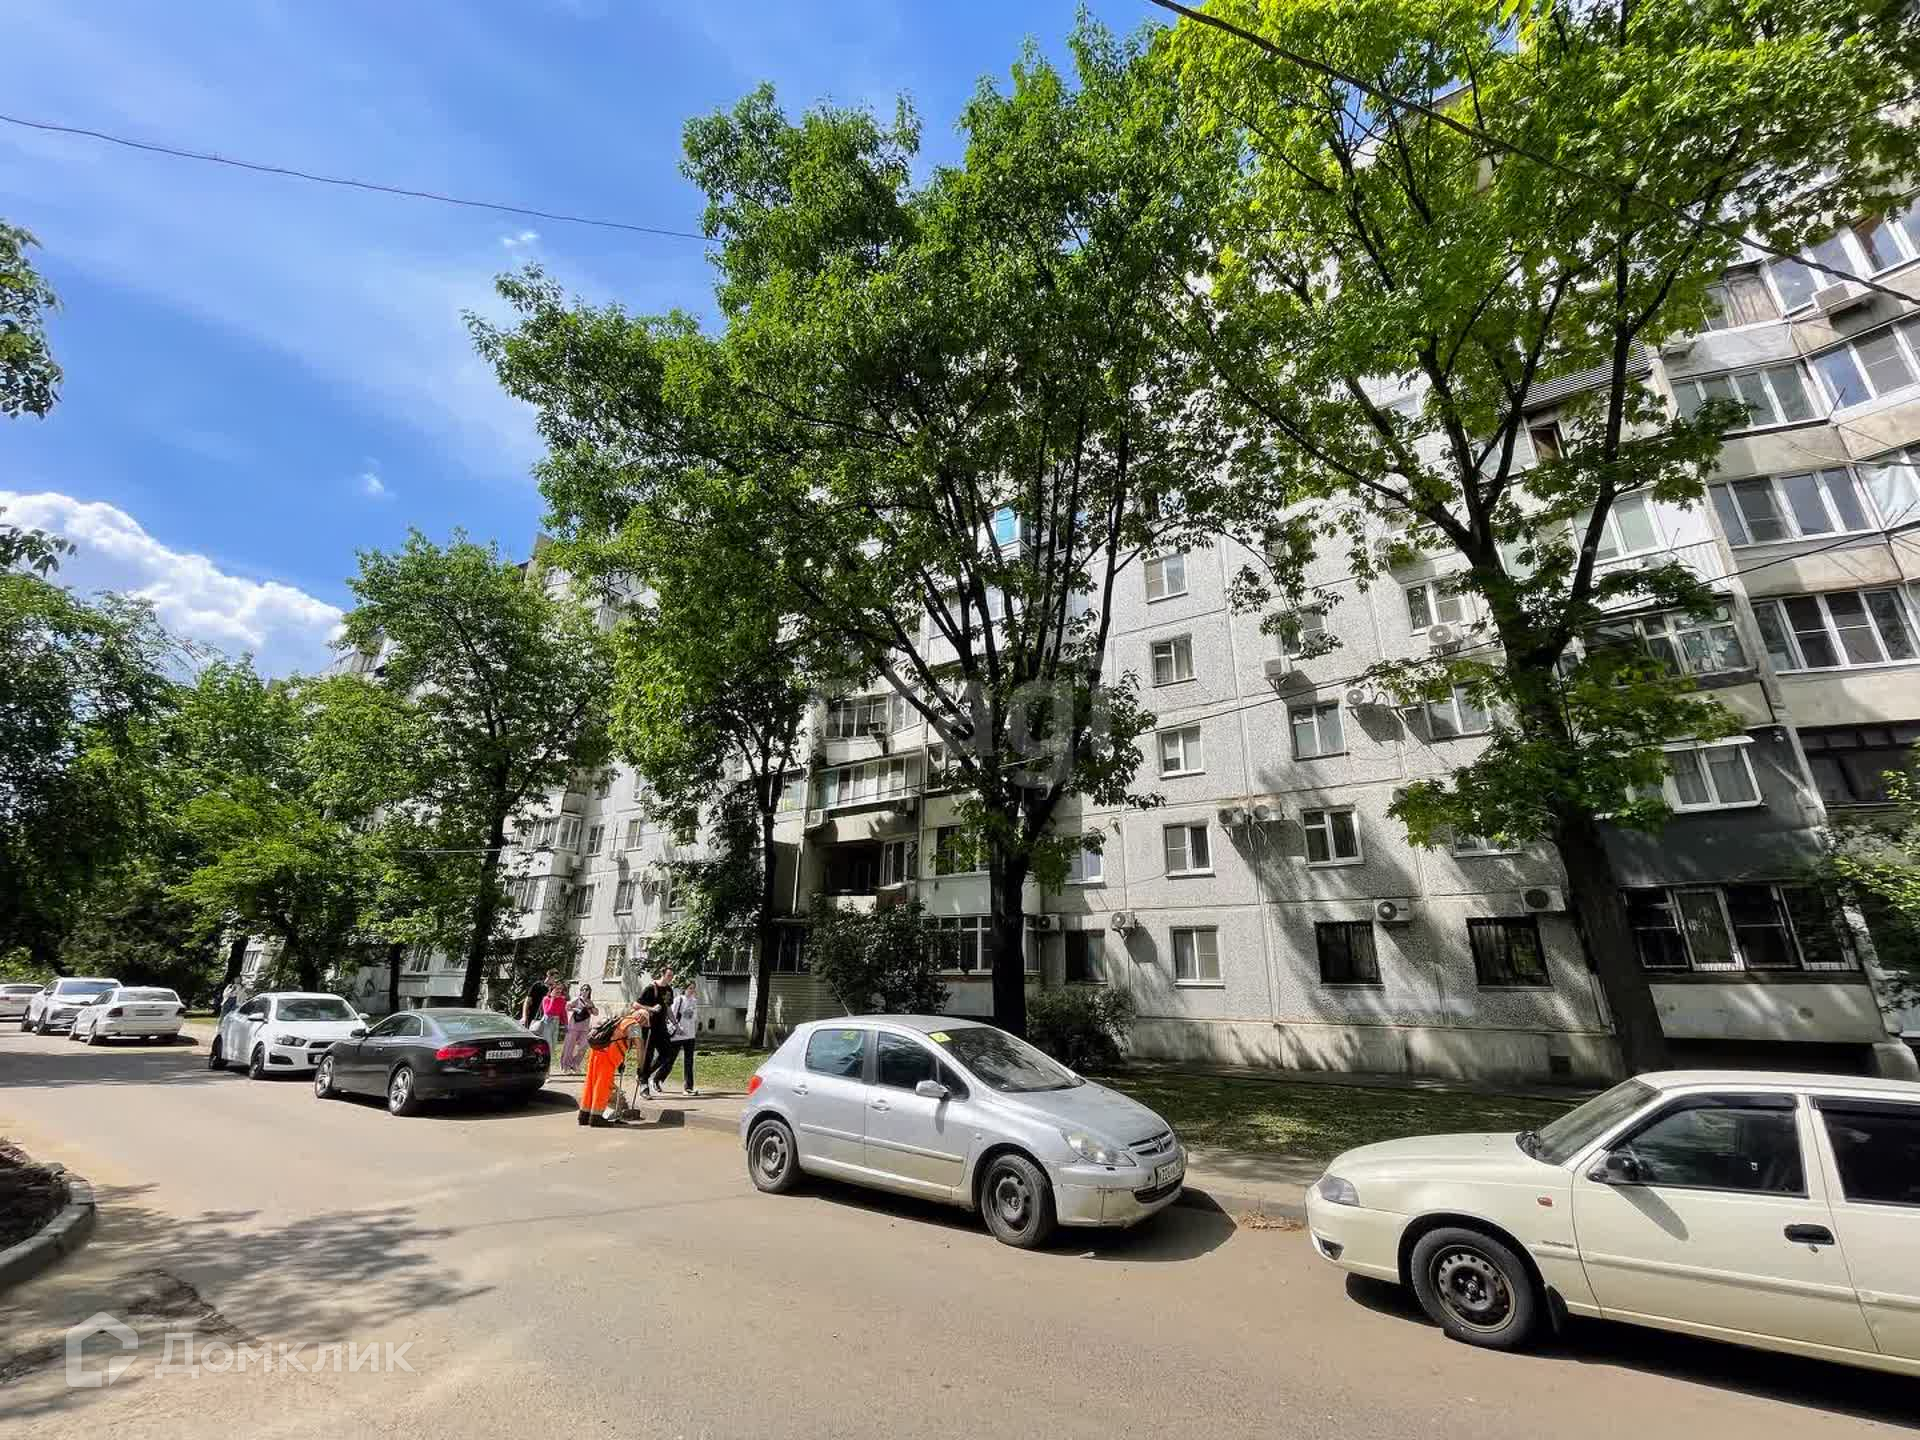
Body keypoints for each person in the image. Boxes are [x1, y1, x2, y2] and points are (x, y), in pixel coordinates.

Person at [578, 1000, 647, 1127]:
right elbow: (640, 1047)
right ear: (641, 1018)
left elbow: (616, 1039)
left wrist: (620, 1062)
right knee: (603, 1085)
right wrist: (640, 1068)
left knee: (591, 1083)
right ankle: (596, 1117)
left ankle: (584, 1115)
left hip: (596, 1051)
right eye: (645, 1022)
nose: (643, 1026)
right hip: (607, 1056)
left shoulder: (620, 1020)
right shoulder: (634, 1025)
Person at [640, 983, 675, 1099]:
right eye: (668, 975)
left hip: (662, 1028)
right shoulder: (651, 988)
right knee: (648, 1056)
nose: (670, 978)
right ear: (662, 975)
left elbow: (668, 1009)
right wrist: (651, 1009)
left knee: (667, 1054)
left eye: (671, 975)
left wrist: (675, 1024)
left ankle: (644, 1075)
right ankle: (644, 1086)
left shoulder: (669, 989)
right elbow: (636, 1005)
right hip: (649, 1028)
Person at [666, 980, 699, 1095]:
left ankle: (688, 1087)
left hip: (690, 1035)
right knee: (670, 1059)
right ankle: (657, 1079)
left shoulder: (694, 1001)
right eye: (690, 988)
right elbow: (671, 1016)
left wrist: (694, 1030)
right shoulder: (678, 1000)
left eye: (693, 988)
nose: (692, 990)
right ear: (684, 989)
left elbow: (694, 1018)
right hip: (678, 1035)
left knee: (689, 1061)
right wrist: (678, 1028)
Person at [559, 984, 597, 1073]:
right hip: (574, 1026)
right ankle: (565, 1066)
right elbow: (567, 1007)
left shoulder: (590, 1002)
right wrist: (576, 1009)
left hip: (585, 1028)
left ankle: (575, 1064)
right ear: (580, 991)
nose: (584, 991)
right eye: (583, 989)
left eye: (587, 990)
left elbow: (596, 1013)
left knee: (583, 1046)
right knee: (569, 1047)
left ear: (589, 992)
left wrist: (590, 1007)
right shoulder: (577, 999)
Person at [538, 978, 567, 1051]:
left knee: (554, 1043)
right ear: (552, 989)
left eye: (561, 989)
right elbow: (548, 1012)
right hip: (547, 1021)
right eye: (557, 989)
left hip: (556, 1021)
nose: (559, 991)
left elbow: (563, 1013)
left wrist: (566, 1024)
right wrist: (552, 999)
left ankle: (550, 1055)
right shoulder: (546, 999)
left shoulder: (562, 1000)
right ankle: (545, 1055)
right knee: (548, 1042)